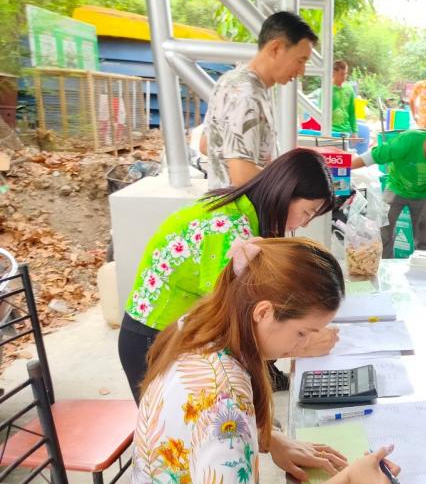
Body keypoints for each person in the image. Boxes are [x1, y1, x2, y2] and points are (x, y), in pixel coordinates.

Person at [127, 237, 400, 484]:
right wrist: (346, 482)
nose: (304, 344)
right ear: (263, 312)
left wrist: (268, 438)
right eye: (302, 333)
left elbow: (199, 434)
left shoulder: (201, 324)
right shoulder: (223, 398)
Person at [119, 149, 337, 402]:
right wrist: (301, 345)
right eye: (307, 212)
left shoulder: (243, 209)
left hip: (179, 334)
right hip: (153, 339)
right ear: (286, 193)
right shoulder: (229, 232)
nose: (305, 224)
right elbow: (237, 327)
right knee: (181, 424)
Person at [204, 11, 318, 189]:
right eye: (300, 61)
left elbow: (206, 144)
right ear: (276, 48)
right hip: (241, 204)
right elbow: (241, 175)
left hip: (222, 202)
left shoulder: (230, 80)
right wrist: (291, 187)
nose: (302, 71)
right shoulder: (247, 95)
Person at [351, 119, 426, 258]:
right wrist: (343, 167)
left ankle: (424, 268)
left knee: (424, 240)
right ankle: (383, 266)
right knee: (383, 234)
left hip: (425, 194)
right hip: (396, 189)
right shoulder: (407, 142)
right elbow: (374, 156)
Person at [331, 60, 358, 139]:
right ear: (334, 73)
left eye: (345, 74)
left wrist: (354, 131)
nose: (344, 77)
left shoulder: (349, 89)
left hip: (346, 132)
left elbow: (352, 112)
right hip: (330, 132)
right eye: (341, 74)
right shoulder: (327, 90)